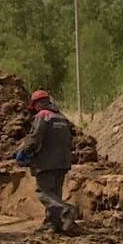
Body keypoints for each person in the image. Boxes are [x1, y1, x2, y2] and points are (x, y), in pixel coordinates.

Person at [15, 89, 78, 234]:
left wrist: (23, 152)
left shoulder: (43, 115)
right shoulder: (61, 117)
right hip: (63, 162)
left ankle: (66, 209)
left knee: (43, 192)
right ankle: (52, 224)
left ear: (38, 103)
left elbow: (35, 138)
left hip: (47, 162)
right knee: (55, 194)